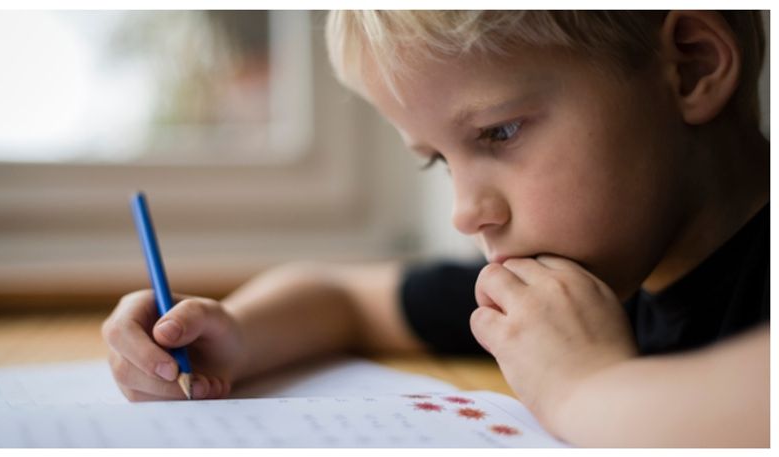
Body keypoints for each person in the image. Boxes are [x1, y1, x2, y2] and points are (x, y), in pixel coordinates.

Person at [102, 11, 769, 446]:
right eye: (436, 160)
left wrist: (585, 388)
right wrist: (232, 331)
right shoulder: (592, 271)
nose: (463, 211)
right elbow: (342, 295)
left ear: (691, 67)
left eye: (497, 132)